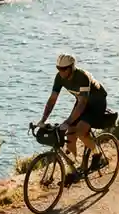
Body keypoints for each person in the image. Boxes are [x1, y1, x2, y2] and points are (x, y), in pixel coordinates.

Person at [36, 53, 109, 182]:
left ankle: (98, 155)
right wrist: (43, 120)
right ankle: (72, 169)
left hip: (97, 102)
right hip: (81, 101)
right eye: (58, 68)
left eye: (64, 69)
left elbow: (82, 104)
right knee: (70, 133)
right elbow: (52, 99)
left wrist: (68, 121)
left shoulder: (82, 77)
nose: (61, 71)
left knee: (80, 131)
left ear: (72, 67)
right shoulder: (59, 77)